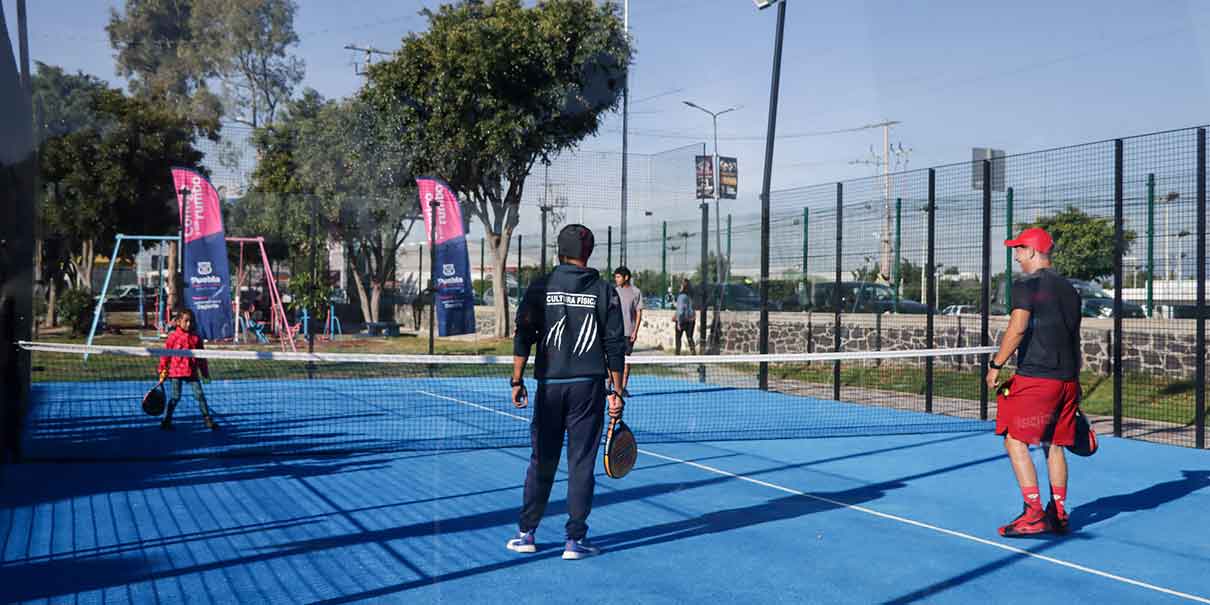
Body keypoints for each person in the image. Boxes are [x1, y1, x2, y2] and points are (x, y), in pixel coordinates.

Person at [507, 224, 626, 560]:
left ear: (559, 250)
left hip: (550, 387)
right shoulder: (604, 291)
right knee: (581, 463)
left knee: (541, 460)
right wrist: (616, 392)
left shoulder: (541, 286)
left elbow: (523, 335)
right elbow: (614, 346)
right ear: (588, 252)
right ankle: (574, 541)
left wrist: (517, 380)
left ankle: (527, 533)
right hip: (587, 388)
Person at [985, 227, 1081, 537]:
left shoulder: (1027, 284)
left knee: (1014, 438)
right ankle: (1059, 513)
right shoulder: (1070, 288)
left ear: (1033, 252)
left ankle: (1034, 512)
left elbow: (1018, 328)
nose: (1016, 256)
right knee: (1054, 443)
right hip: (1068, 380)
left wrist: (996, 364)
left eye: (1019, 249)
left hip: (1039, 377)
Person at [157, 309, 219, 431]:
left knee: (200, 395)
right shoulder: (172, 337)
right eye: (186, 321)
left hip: (192, 372)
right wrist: (162, 369)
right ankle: (167, 420)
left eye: (191, 321)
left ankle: (208, 419)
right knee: (175, 397)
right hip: (176, 372)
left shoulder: (196, 338)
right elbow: (165, 355)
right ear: (179, 322)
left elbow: (201, 358)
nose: (189, 324)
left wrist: (205, 373)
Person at [612, 266, 643, 396]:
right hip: (614, 332)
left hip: (628, 333)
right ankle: (610, 386)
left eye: (618, 277)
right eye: (615, 277)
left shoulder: (636, 292)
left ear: (626, 277)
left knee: (626, 361)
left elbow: (639, 312)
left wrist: (635, 331)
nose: (616, 279)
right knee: (611, 361)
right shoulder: (613, 291)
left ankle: (623, 388)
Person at [674, 279, 697, 355]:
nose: (679, 287)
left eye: (680, 285)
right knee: (690, 338)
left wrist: (679, 323)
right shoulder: (691, 296)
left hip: (682, 320)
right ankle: (694, 355)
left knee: (678, 339)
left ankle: (677, 356)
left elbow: (680, 311)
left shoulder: (681, 296)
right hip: (691, 320)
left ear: (683, 287)